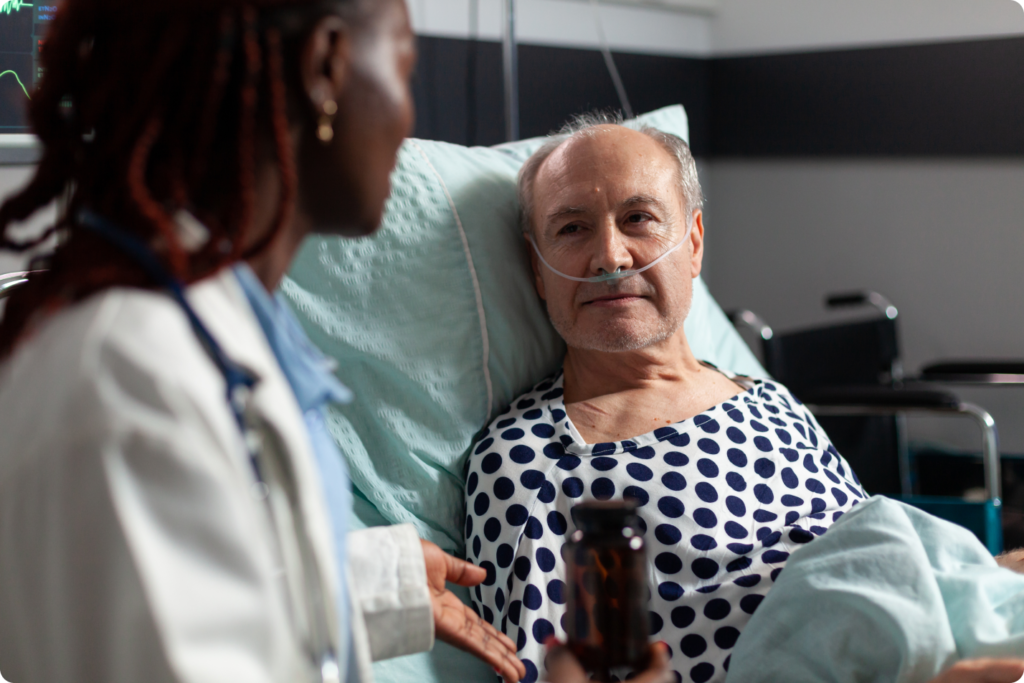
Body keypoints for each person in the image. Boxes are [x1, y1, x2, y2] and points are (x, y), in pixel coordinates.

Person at [0, 1, 523, 682]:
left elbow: (179, 587)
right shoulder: (130, 376)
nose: (407, 121)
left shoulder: (215, 335)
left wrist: (358, 582)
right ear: (325, 68)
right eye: (403, 70)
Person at [464, 114, 1024, 683]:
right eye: (572, 229)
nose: (611, 256)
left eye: (638, 218)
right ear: (538, 270)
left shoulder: (769, 401)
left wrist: (989, 573)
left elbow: (870, 556)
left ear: (694, 244)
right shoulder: (530, 459)